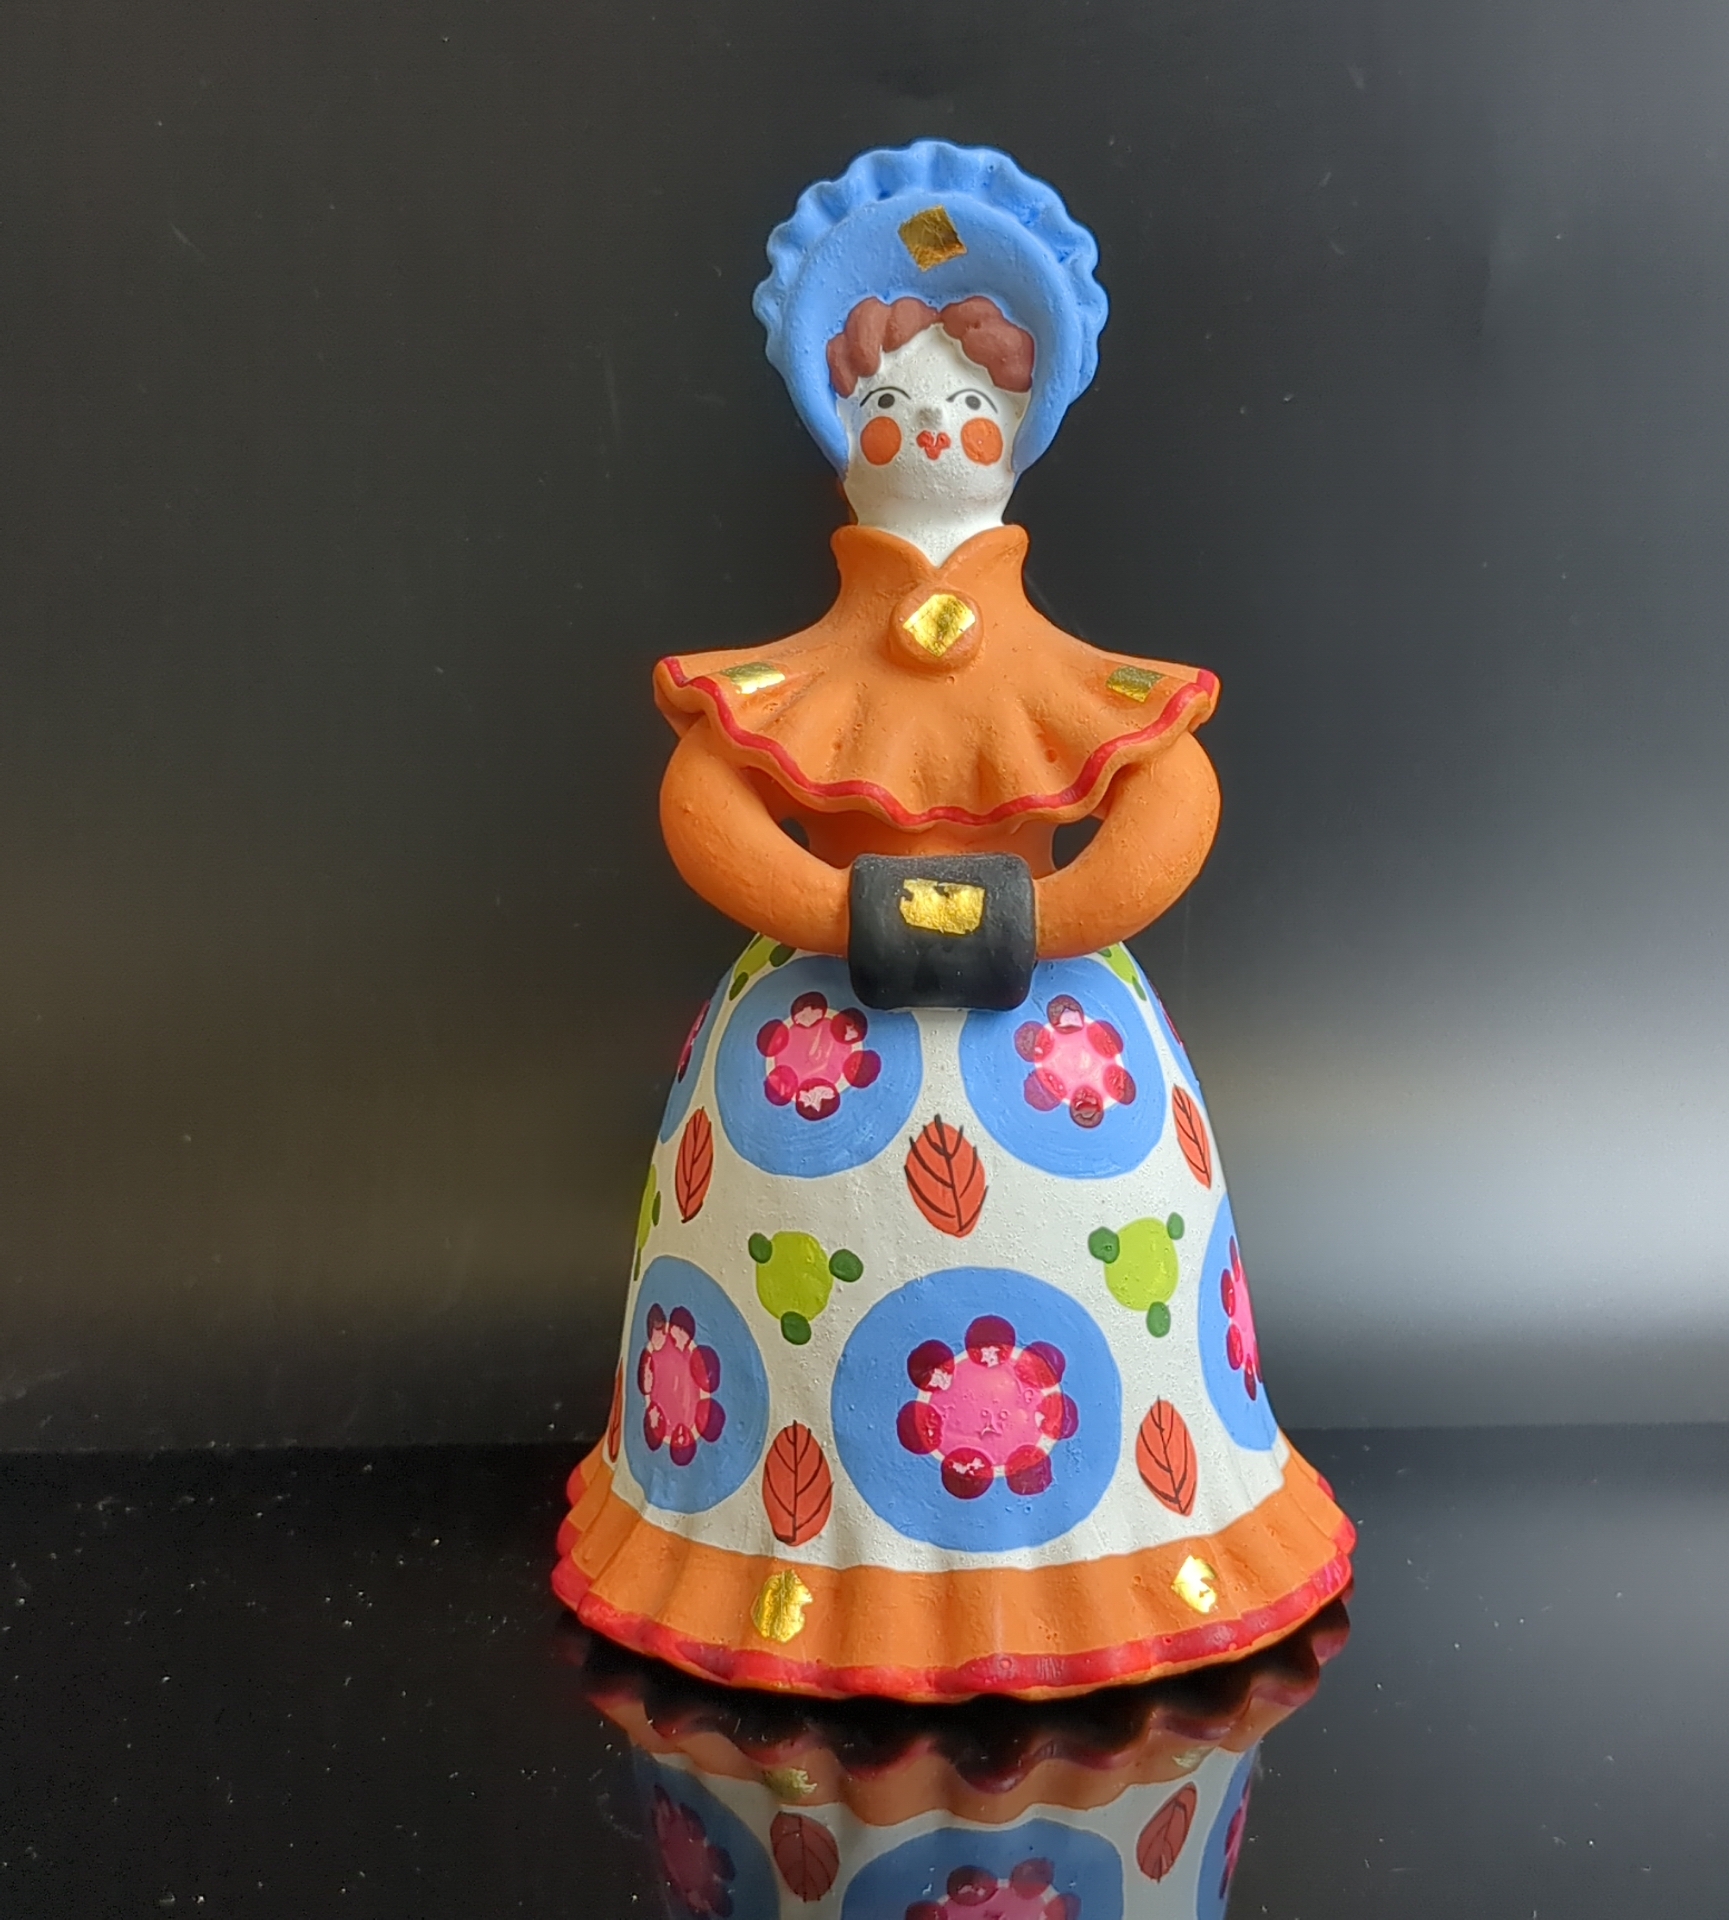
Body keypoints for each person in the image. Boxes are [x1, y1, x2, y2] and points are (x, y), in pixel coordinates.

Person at [554, 142, 1353, 1700]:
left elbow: (1168, 797)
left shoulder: (1077, 680)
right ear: (838, 426)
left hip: (1066, 1041)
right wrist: (835, 907)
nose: (928, 427)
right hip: (809, 1045)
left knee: (1089, 1237)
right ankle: (777, 1542)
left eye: (965, 403)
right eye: (890, 401)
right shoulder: (783, 680)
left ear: (1019, 433)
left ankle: (1127, 1532)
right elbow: (709, 801)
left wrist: (1043, 921)